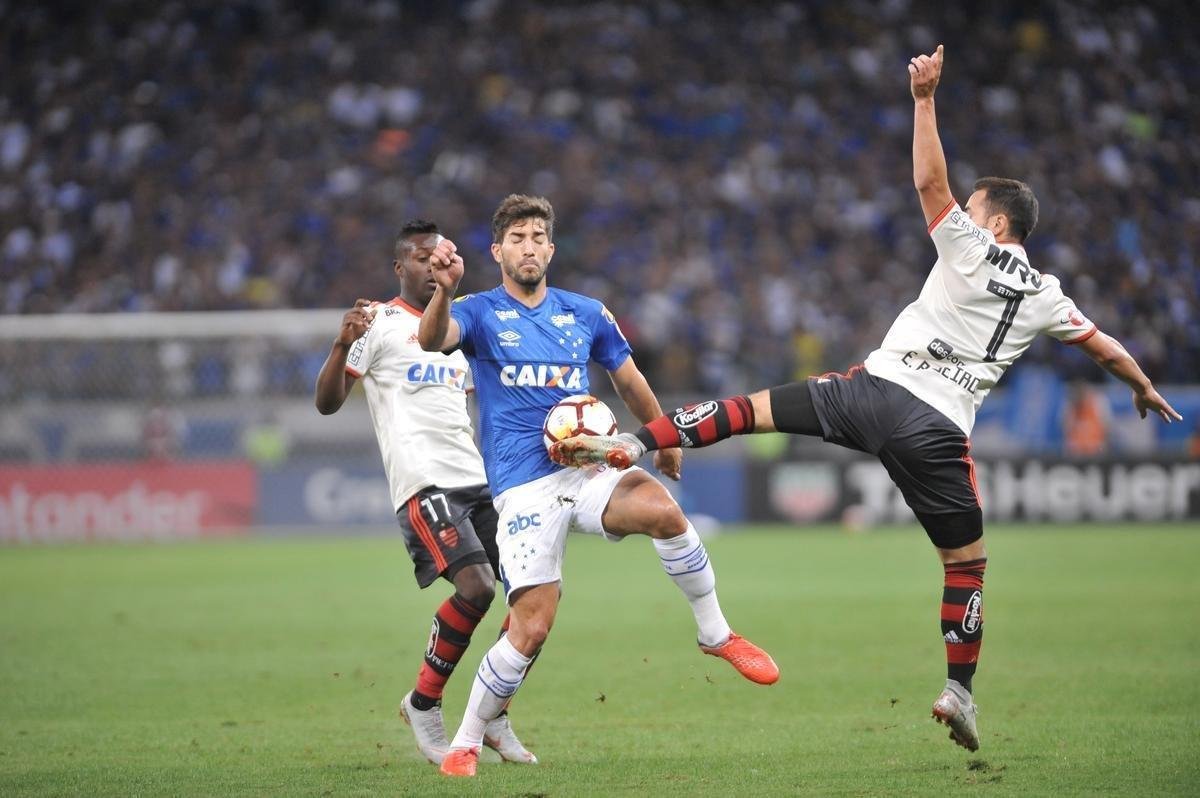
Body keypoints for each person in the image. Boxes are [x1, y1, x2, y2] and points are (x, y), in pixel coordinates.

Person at [550, 45, 1183, 753]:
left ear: (996, 224)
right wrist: (1144, 388)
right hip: (939, 429)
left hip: (872, 392)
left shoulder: (971, 247)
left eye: (976, 212)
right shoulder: (1048, 296)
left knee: (749, 411)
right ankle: (960, 692)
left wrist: (923, 100)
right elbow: (1104, 346)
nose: (966, 218)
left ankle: (636, 442)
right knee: (966, 566)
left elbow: (928, 182)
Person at [418, 194, 779, 778]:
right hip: (523, 488)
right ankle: (465, 738)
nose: (529, 246)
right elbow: (433, 341)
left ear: (551, 249)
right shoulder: (478, 311)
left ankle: (716, 633)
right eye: (517, 238)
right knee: (531, 627)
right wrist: (440, 290)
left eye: (538, 237)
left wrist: (664, 439)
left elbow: (628, 378)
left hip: (586, 467)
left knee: (663, 511)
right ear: (497, 251)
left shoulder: (585, 313)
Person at [314, 220, 536, 767]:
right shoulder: (378, 322)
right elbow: (327, 402)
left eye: (439, 256)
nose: (430, 265)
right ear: (400, 267)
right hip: (424, 482)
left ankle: (493, 713)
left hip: (479, 480)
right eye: (419, 258)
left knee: (532, 596)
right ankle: (423, 704)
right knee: (478, 587)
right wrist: (343, 341)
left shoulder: (458, 330)